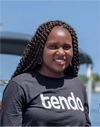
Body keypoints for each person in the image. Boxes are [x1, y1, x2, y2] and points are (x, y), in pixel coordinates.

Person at [0, 20, 91, 127]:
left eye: (67, 47)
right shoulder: (20, 86)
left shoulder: (78, 86)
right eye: (53, 46)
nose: (61, 52)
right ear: (40, 50)